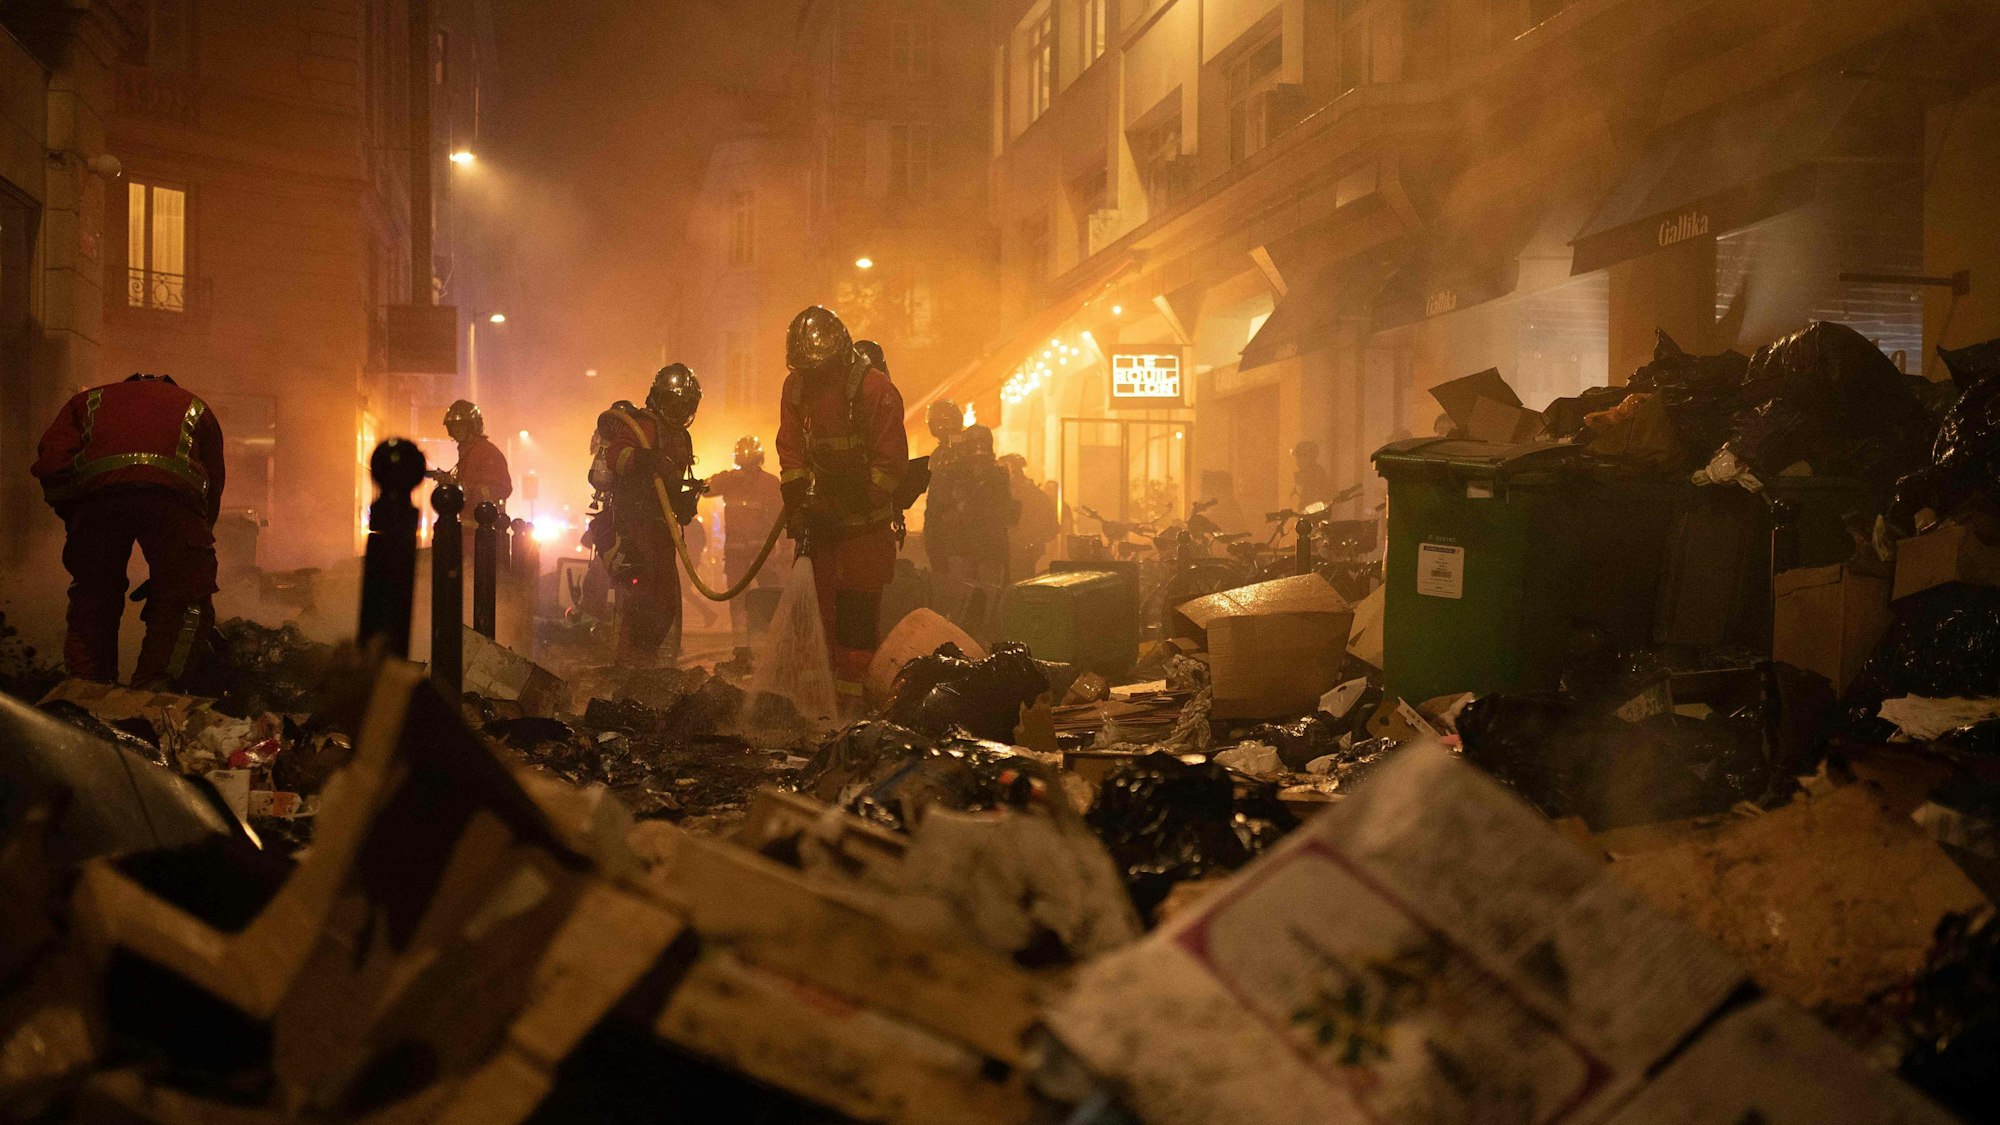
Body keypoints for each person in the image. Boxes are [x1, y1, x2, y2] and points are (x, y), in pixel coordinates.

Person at [33, 373, 226, 687]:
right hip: (174, 504)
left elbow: (53, 465)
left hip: (98, 502)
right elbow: (212, 487)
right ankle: (157, 689)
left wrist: (76, 515)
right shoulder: (196, 406)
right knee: (186, 599)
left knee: (93, 594)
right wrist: (185, 558)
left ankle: (86, 688)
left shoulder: (86, 401)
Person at [775, 305, 908, 708]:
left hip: (864, 529)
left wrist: (846, 503)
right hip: (823, 525)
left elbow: (889, 468)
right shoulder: (797, 387)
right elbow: (791, 451)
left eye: (817, 371)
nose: (810, 379)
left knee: (855, 624)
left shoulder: (875, 390)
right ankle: (814, 705)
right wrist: (798, 504)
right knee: (814, 623)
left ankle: (851, 710)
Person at [593, 364, 703, 669]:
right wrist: (643, 459)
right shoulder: (644, 425)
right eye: (674, 403)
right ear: (658, 398)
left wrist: (683, 500)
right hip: (636, 522)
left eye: (686, 405)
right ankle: (631, 663)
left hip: (662, 526)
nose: (680, 411)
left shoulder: (680, 435)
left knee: (665, 600)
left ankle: (647, 660)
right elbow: (618, 455)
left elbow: (672, 477)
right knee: (644, 597)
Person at [706, 434, 785, 668]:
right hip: (742, 555)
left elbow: (782, 517)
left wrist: (784, 549)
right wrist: (726, 476)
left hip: (763, 555)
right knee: (739, 603)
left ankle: (769, 646)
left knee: (769, 599)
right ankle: (743, 650)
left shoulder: (770, 484)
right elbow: (705, 489)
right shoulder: (730, 481)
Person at [939, 425, 1016, 587]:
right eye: (975, 442)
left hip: (988, 549)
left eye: (982, 442)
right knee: (966, 596)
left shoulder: (998, 474)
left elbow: (1004, 510)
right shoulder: (955, 472)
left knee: (988, 595)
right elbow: (943, 510)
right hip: (964, 547)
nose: (978, 448)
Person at [435, 399, 513, 514]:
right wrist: (451, 483)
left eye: (461, 426)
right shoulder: (467, 452)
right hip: (467, 526)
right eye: (454, 426)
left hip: (485, 526)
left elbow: (502, 488)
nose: (457, 430)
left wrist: (464, 493)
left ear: (473, 426)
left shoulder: (486, 451)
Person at [921, 399, 965, 572]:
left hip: (957, 529)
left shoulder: (964, 450)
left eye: (943, 421)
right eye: (937, 422)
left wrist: (957, 512)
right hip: (937, 525)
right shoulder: (937, 454)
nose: (940, 426)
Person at [1000, 454, 1057, 580]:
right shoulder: (1035, 494)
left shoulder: (1016, 494)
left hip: (1017, 552)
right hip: (1021, 551)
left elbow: (1050, 527)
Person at [1292, 441, 1333, 512]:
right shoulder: (1303, 475)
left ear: (1311, 457)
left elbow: (1323, 499)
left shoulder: (1318, 475)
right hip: (1305, 517)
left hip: (1314, 518)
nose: (1298, 462)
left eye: (1301, 457)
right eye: (1298, 457)